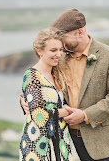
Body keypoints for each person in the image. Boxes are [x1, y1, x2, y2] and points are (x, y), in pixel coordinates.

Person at [21, 9, 109, 161]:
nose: (61, 43)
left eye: (63, 37)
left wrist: (85, 115)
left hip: (100, 142)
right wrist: (24, 100)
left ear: (79, 32)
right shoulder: (59, 56)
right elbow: (40, 83)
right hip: (65, 141)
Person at [19, 28, 80, 161]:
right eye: (53, 50)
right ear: (39, 51)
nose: (58, 54)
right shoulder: (31, 76)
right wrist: (66, 112)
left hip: (61, 141)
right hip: (39, 145)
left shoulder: (56, 73)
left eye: (60, 50)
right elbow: (38, 115)